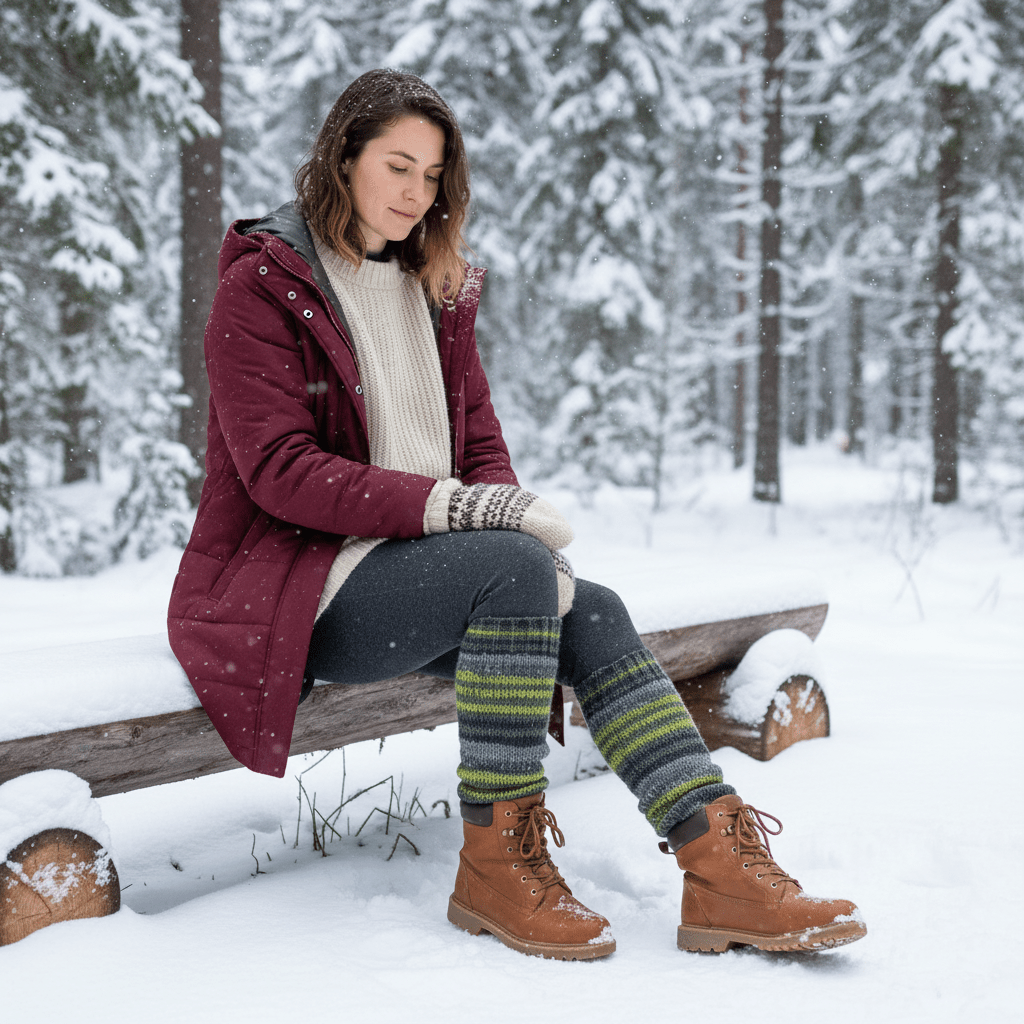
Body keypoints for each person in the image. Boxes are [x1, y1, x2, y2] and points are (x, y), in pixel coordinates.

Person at [168, 68, 866, 960]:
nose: (416, 194)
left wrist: (505, 513)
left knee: (595, 607)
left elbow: (479, 445)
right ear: (341, 160)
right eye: (397, 166)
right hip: (300, 587)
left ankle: (720, 868)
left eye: (433, 176)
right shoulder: (263, 289)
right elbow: (279, 472)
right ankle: (497, 868)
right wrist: (463, 511)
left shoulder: (436, 288)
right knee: (516, 570)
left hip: (427, 571)